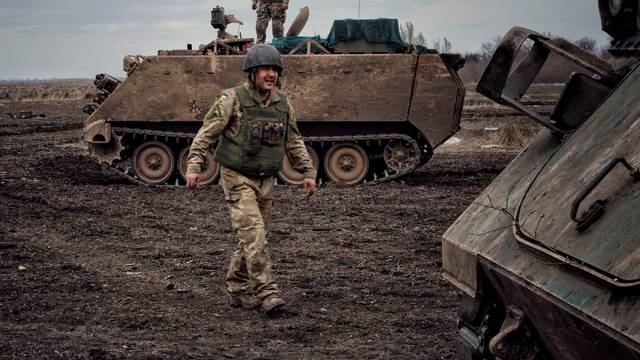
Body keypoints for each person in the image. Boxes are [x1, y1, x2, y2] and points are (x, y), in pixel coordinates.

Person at [186, 44, 317, 313]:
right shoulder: (231, 98)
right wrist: (194, 165)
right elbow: (206, 133)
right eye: (265, 69)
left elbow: (293, 140)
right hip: (236, 176)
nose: (271, 75)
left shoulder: (282, 103)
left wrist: (308, 171)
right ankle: (267, 293)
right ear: (252, 72)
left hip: (266, 179)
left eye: (275, 70)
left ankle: (237, 288)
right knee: (254, 236)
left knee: (252, 238)